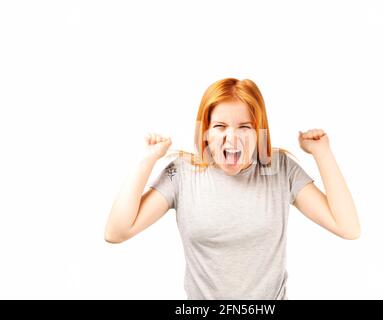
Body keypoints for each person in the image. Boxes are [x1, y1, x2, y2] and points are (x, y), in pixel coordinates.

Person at [104, 78, 360, 300]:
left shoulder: (280, 169)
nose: (232, 138)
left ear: (260, 131)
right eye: (220, 126)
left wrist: (322, 153)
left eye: (244, 127)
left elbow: (347, 227)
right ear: (205, 131)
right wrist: (146, 160)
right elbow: (117, 232)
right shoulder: (182, 173)